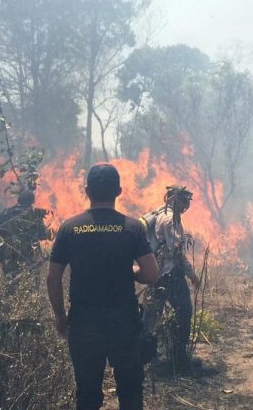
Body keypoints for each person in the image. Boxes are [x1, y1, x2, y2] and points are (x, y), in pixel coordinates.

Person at [47, 163, 159, 410]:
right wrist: (131, 272)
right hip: (124, 324)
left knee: (87, 397)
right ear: (119, 191)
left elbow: (53, 278)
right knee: (130, 393)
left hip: (84, 324)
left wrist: (59, 315)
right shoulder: (132, 228)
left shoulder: (69, 228)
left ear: (87, 191)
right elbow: (151, 274)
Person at [141, 185, 200, 373]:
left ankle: (147, 357)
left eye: (188, 202)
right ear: (173, 199)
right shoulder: (168, 220)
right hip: (170, 275)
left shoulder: (164, 215)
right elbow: (177, 254)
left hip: (157, 274)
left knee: (151, 315)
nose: (186, 206)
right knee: (183, 312)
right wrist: (192, 274)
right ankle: (178, 358)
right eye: (183, 201)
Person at [0, 190, 50, 276]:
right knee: (30, 283)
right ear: (32, 201)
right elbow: (43, 236)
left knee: (9, 281)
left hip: (8, 255)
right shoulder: (34, 214)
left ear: (18, 200)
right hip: (29, 257)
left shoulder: (5, 212)